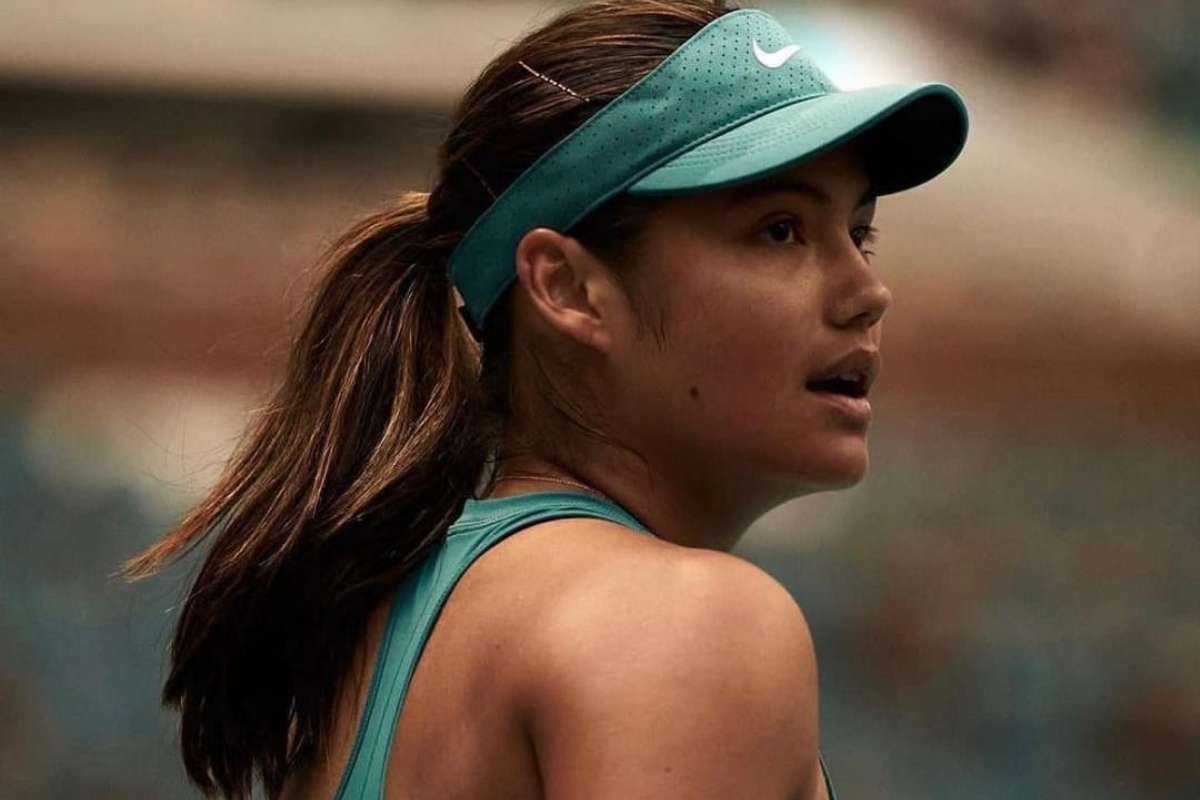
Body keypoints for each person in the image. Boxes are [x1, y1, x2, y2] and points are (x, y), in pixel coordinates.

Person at [125, 1, 968, 798]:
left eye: (858, 233)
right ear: (567, 289)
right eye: (779, 230)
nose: (868, 292)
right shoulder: (684, 622)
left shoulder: (383, 633)